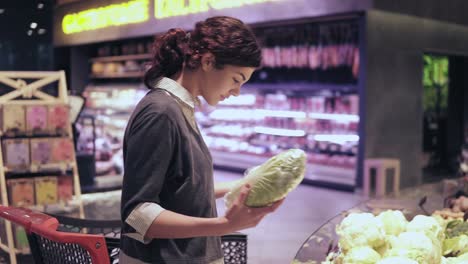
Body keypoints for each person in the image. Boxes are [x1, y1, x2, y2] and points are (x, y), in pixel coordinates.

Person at [120, 16, 284, 264]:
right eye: (236, 79)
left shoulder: (180, 107)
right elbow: (138, 215)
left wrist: (246, 186)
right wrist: (223, 225)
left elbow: (182, 189)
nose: (236, 92)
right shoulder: (160, 112)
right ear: (208, 61)